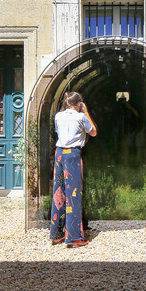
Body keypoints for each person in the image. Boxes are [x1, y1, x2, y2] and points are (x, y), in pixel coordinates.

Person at [50, 91, 97, 248]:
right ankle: (74, 238)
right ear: (79, 104)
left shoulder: (58, 116)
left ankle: (57, 234)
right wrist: (86, 112)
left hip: (59, 154)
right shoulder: (80, 116)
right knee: (73, 195)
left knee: (59, 193)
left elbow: (59, 132)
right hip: (72, 155)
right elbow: (93, 132)